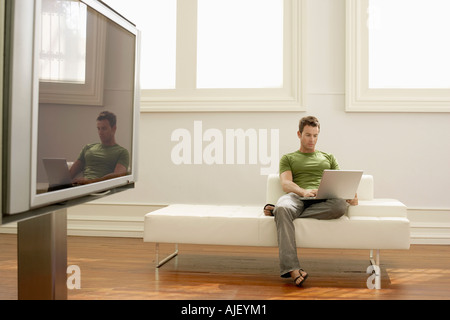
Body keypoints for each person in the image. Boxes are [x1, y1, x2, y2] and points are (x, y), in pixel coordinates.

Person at [263, 116, 358, 287]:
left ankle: (277, 212)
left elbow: (340, 181)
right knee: (285, 207)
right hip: (296, 197)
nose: (312, 139)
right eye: (308, 135)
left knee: (340, 205)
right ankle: (292, 269)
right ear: (299, 134)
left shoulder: (328, 157)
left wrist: (351, 194)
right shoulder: (288, 158)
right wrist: (304, 191)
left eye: (315, 135)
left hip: (324, 198)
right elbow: (286, 183)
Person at [70, 111, 130, 184]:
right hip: (81, 187)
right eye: (98, 128)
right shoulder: (88, 148)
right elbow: (70, 174)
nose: (100, 132)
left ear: (114, 129)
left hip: (101, 190)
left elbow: (117, 177)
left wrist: (89, 182)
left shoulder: (122, 152)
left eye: (104, 128)